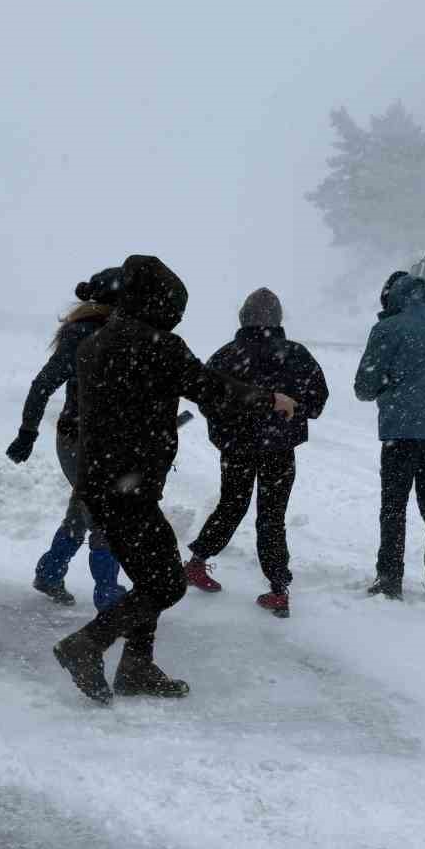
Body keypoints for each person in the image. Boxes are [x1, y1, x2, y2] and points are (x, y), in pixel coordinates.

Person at [51, 255, 298, 705]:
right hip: (127, 487)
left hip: (107, 482)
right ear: (158, 303)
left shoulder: (99, 343)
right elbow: (211, 388)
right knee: (165, 583)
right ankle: (86, 646)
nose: (177, 316)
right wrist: (270, 399)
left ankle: (137, 666)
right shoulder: (157, 345)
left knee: (155, 572)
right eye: (174, 306)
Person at [182, 288, 329, 618]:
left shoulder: (226, 355)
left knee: (231, 505)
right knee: (272, 516)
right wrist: (291, 413)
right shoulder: (296, 355)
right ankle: (278, 590)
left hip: (236, 448)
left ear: (243, 317)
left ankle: (196, 564)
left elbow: (207, 400)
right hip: (279, 448)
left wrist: (226, 429)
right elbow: (317, 402)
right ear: (278, 318)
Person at [5, 269, 129, 610]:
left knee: (86, 507)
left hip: (93, 440)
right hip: (83, 441)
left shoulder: (119, 333)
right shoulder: (87, 334)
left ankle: (49, 572)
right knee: (107, 514)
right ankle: (108, 595)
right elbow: (44, 383)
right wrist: (26, 432)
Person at [353, 269, 425, 604]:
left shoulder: (387, 329)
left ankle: (389, 581)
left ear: (392, 297)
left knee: (394, 508)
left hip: (400, 434)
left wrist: (388, 386)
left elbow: (364, 387)